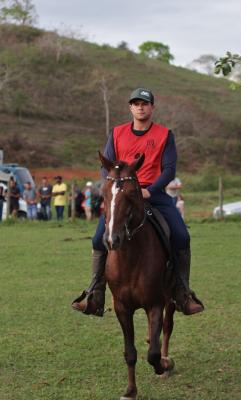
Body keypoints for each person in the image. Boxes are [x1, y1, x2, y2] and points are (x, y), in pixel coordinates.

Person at [72, 87, 204, 317]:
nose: (140, 107)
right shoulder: (117, 133)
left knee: (182, 235)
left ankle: (182, 293)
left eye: (144, 103)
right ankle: (95, 294)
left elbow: (169, 169)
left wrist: (150, 191)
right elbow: (107, 168)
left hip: (155, 194)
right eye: (136, 103)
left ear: (152, 107)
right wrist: (116, 188)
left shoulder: (164, 135)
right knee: (97, 239)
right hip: (123, 196)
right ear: (130, 107)